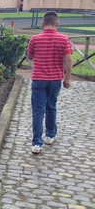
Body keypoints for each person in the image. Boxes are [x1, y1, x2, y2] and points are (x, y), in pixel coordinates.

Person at [27, 11, 73, 154]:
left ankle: (36, 143)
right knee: (51, 107)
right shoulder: (64, 39)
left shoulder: (34, 39)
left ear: (42, 24)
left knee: (38, 110)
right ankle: (50, 135)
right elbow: (69, 59)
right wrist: (67, 79)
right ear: (57, 24)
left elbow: (30, 56)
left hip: (38, 79)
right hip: (55, 80)